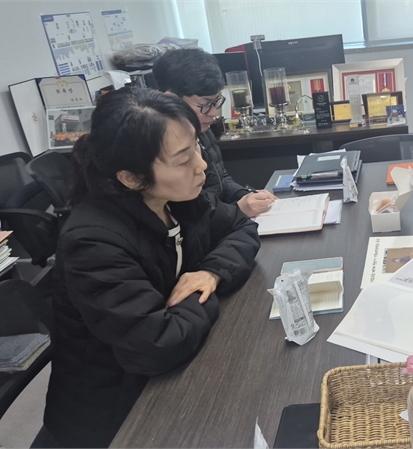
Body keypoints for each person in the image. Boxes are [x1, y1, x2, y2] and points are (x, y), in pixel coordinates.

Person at [34, 87, 261, 448]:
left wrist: (211, 273)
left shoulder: (178, 199)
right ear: (132, 178)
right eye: (183, 159)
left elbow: (241, 226)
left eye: (197, 147)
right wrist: (202, 296)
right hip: (116, 415)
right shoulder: (92, 242)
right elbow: (158, 344)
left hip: (168, 377)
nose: (201, 165)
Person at [153, 47, 277, 216]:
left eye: (216, 102)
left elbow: (221, 179)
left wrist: (246, 195)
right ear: (172, 99)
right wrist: (237, 210)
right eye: (205, 104)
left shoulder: (202, 128)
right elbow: (186, 213)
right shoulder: (161, 143)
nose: (213, 113)